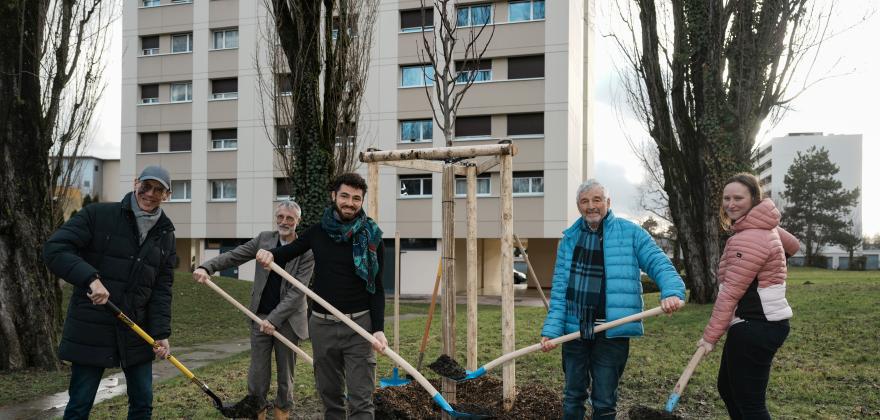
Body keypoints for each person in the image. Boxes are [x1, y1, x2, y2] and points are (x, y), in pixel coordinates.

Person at [539, 179, 685, 420]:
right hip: (575, 331)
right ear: (578, 206)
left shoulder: (631, 233)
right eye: (585, 201)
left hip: (612, 332)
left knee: (605, 401)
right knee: (572, 396)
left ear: (608, 202)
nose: (591, 206)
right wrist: (552, 331)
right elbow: (560, 290)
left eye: (597, 200)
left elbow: (658, 263)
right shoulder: (568, 240)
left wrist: (672, 291)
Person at [44, 166, 177, 419]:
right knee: (80, 404)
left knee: (142, 404)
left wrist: (160, 333)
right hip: (92, 326)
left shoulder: (165, 235)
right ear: (135, 182)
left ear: (167, 195)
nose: (150, 193)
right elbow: (55, 248)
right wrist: (90, 279)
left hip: (136, 329)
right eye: (146, 186)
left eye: (158, 189)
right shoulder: (98, 215)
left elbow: (162, 289)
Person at [255, 172, 387, 420]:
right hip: (322, 326)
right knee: (330, 398)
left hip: (359, 326)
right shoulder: (318, 232)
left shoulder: (372, 237)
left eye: (356, 198)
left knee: (361, 400)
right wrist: (269, 254)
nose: (350, 202)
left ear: (362, 201)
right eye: (345, 196)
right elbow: (289, 251)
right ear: (334, 195)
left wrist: (378, 329)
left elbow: (377, 287)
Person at [192, 200, 314, 420]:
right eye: (280, 217)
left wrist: (275, 319)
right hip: (259, 317)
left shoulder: (305, 249)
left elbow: (297, 292)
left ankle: (281, 414)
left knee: (286, 375)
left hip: (288, 321)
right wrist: (206, 266)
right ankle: (257, 413)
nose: (284, 222)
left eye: (290, 218)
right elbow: (235, 255)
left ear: (298, 221)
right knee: (258, 373)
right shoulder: (264, 239)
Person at [697, 173, 798, 420]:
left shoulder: (749, 237)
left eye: (738, 198)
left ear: (754, 199)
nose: (731, 204)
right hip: (758, 324)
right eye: (726, 198)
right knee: (729, 389)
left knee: (749, 402)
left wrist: (710, 337)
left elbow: (730, 293)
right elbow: (793, 245)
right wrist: (767, 224)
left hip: (756, 325)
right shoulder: (761, 227)